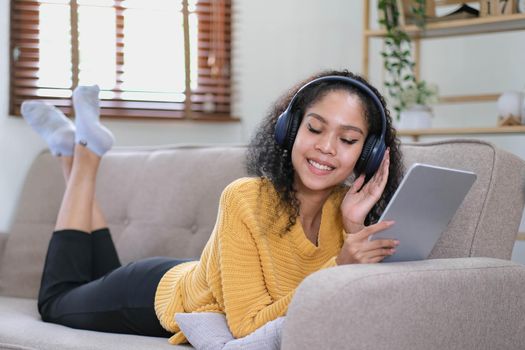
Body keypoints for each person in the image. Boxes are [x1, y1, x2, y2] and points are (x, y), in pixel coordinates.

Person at [21, 69, 403, 346]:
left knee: (95, 277)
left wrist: (355, 227)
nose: (326, 147)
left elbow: (348, 311)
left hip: (188, 276)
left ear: (367, 155)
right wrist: (340, 264)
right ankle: (83, 159)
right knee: (55, 301)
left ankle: (69, 150)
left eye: (348, 139)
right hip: (153, 296)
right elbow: (248, 326)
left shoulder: (349, 212)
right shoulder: (245, 197)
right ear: (291, 130)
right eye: (315, 129)